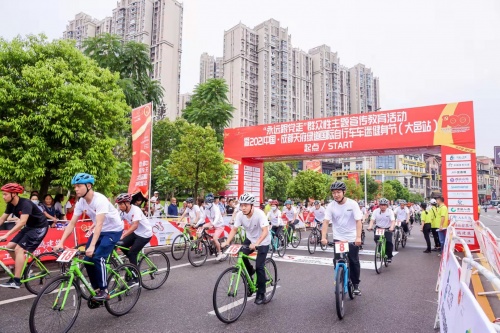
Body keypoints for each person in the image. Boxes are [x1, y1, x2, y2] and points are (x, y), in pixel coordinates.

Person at [54, 173, 123, 301]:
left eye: (78, 186)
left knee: (97, 257)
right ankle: (96, 290)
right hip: (100, 230)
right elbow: (72, 223)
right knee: (87, 259)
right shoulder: (81, 202)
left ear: (89, 186)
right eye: (75, 186)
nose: (76, 189)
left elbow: (100, 223)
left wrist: (91, 246)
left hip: (113, 230)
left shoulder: (100, 200)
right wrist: (61, 242)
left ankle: (104, 290)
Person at [221, 193, 271, 305]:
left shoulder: (259, 214)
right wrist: (227, 242)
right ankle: (250, 271)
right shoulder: (240, 215)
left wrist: (257, 243)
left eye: (246, 205)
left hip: (263, 240)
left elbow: (265, 231)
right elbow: (234, 229)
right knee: (241, 256)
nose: (243, 207)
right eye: (242, 205)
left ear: (252, 205)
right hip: (250, 239)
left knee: (259, 266)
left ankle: (261, 293)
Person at [0, 183, 49, 288]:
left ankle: (17, 280)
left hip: (39, 227)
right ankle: (25, 269)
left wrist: (6, 235)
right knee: (9, 247)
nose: (3, 196)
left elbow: (22, 222)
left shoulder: (25, 203)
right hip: (29, 227)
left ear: (13, 194)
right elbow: (2, 219)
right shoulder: (10, 205)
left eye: (5, 194)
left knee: (19, 249)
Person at [321, 181, 363, 295]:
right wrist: (323, 237)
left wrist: (358, 237)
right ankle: (340, 276)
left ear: (344, 192)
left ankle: (355, 284)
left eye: (338, 192)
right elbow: (325, 222)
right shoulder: (331, 205)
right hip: (338, 237)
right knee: (337, 260)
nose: (336, 195)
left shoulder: (352, 204)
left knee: (354, 261)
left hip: (352, 238)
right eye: (334, 193)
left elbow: (358, 221)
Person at [115, 193, 152, 284]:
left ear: (127, 203)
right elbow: (115, 223)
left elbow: (135, 225)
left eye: (121, 204)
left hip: (145, 234)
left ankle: (136, 278)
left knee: (132, 253)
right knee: (122, 244)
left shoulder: (136, 210)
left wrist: (123, 235)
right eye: (118, 204)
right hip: (136, 233)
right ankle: (133, 262)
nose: (119, 206)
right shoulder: (122, 212)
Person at [194, 193, 225, 260]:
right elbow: (202, 218)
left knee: (215, 238)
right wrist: (196, 224)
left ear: (211, 203)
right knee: (201, 227)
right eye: (206, 203)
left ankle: (220, 253)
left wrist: (213, 225)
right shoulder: (206, 209)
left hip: (219, 225)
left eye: (207, 203)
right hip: (212, 223)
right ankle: (207, 241)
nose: (206, 204)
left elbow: (217, 218)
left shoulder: (216, 208)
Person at [367, 198, 395, 263]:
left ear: (387, 205)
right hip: (379, 228)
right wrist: (370, 226)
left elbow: (393, 221)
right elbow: (372, 220)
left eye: (384, 205)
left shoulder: (390, 211)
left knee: (389, 242)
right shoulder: (375, 211)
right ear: (379, 205)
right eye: (381, 205)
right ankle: (379, 249)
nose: (383, 206)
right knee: (376, 238)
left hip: (387, 228)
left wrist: (391, 227)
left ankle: (389, 256)